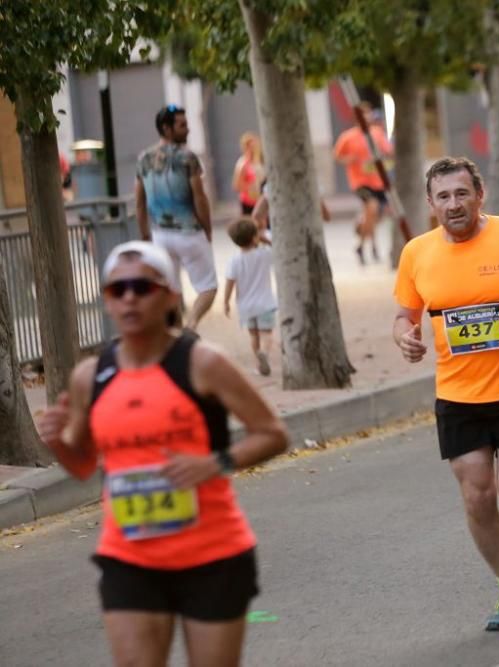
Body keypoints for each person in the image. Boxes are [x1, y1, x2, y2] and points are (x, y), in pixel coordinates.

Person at [36, 241, 289, 667]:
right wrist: (58, 441)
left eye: (142, 287)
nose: (130, 297)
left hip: (212, 554)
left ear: (170, 294)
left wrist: (216, 463)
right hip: (129, 557)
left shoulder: (203, 363)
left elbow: (273, 433)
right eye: (118, 290)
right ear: (107, 301)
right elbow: (83, 467)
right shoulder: (90, 376)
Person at [393, 157, 499, 631]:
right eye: (444, 196)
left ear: (479, 194)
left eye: (461, 193)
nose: (454, 204)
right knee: (476, 497)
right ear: (430, 203)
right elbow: (404, 315)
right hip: (458, 395)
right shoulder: (417, 253)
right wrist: (404, 336)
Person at [136, 105, 216, 332]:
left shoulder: (144, 159)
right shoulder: (187, 158)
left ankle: (176, 337)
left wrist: (145, 235)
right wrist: (207, 228)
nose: (188, 129)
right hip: (189, 232)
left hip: (160, 235)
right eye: (182, 125)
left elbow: (139, 202)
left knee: (170, 291)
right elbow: (200, 198)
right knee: (208, 287)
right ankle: (191, 325)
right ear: (166, 128)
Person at [333, 102, 394, 264]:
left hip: (378, 182)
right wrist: (350, 159)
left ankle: (365, 244)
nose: (366, 118)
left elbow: (388, 151)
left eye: (368, 114)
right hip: (359, 181)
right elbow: (337, 156)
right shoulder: (348, 136)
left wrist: (386, 156)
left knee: (374, 215)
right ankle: (367, 246)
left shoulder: (377, 133)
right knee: (372, 207)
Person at [224, 218, 278, 377]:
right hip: (265, 304)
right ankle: (265, 354)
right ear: (255, 237)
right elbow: (279, 249)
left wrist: (226, 301)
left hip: (246, 306)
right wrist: (265, 239)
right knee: (266, 334)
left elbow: (230, 282)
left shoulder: (234, 261)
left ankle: (258, 362)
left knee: (253, 335)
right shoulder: (264, 254)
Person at [232, 132, 264, 216]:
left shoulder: (259, 162)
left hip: (260, 201)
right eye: (251, 146)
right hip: (248, 202)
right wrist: (251, 187)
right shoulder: (242, 163)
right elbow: (237, 185)